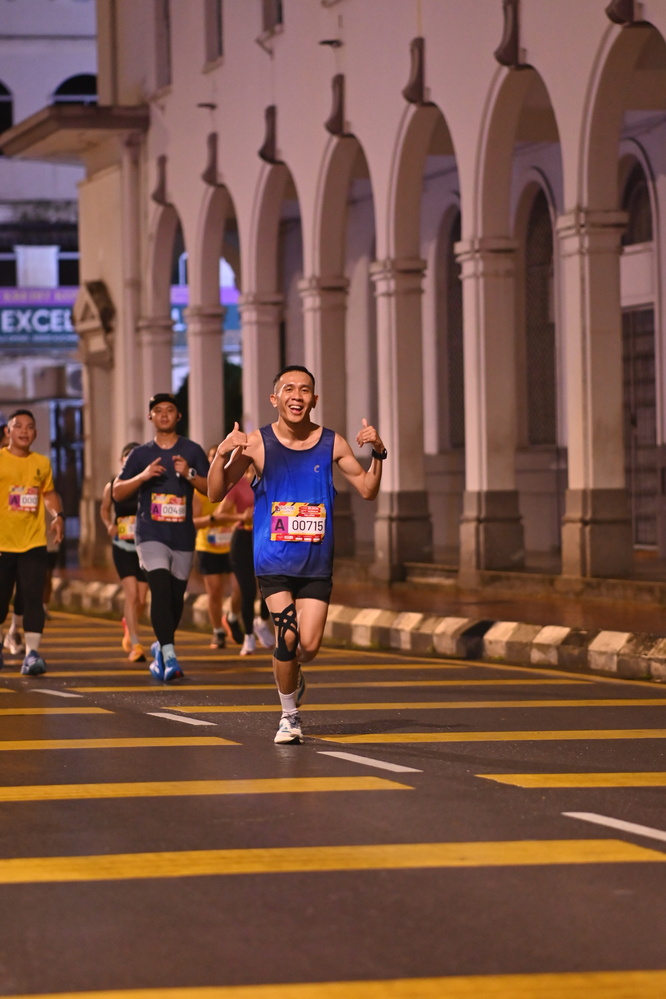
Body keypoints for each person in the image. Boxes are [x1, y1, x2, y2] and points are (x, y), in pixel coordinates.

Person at [208, 365, 386, 743]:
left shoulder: (332, 443)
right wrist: (221, 454)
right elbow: (214, 492)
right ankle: (289, 716)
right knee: (286, 637)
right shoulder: (256, 443)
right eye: (289, 389)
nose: (297, 395)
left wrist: (379, 452)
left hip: (316, 564)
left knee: (309, 646)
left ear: (314, 400)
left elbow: (368, 490)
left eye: (305, 390)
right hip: (272, 560)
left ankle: (292, 671)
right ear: (275, 399)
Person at [113, 393, 209, 682]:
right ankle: (169, 656)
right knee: (160, 588)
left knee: (175, 599)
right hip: (149, 533)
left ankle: (161, 645)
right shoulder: (141, 454)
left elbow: (210, 488)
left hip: (182, 535)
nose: (164, 414)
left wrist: (189, 473)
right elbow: (117, 491)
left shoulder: (192, 450)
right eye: (158, 410)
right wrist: (142, 477)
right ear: (150, 417)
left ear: (179, 416)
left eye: (169, 410)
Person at [0, 409, 65, 674]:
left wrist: (58, 515)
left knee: (32, 598)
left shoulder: (42, 463)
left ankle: (32, 654)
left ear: (36, 433)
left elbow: (48, 493)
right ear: (8, 432)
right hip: (2, 544)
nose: (24, 431)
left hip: (33, 543)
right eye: (18, 426)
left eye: (29, 427)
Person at [219, 466, 275, 656]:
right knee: (248, 591)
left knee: (270, 586)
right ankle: (249, 635)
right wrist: (241, 516)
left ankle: (262, 622)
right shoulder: (239, 485)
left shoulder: (270, 481)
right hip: (243, 539)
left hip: (265, 538)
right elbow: (220, 514)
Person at [100, 442, 149, 662]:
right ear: (122, 461)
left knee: (142, 599)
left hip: (144, 547)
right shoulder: (113, 486)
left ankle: (129, 624)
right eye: (127, 457)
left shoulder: (146, 485)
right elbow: (104, 509)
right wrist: (109, 525)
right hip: (122, 546)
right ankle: (136, 644)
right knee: (131, 594)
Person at [192, 446, 237, 649]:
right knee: (215, 592)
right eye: (213, 457)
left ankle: (232, 617)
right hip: (208, 547)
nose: (217, 460)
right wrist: (213, 519)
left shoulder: (235, 485)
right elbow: (193, 522)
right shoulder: (200, 491)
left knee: (240, 588)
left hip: (232, 546)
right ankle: (217, 630)